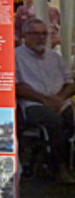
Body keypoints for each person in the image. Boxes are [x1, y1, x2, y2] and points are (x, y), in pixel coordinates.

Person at [15, 17, 75, 183]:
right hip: (32, 104)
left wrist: (59, 98)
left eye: (44, 34)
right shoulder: (16, 57)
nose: (40, 38)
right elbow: (18, 87)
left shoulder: (55, 57)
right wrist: (45, 100)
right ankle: (58, 168)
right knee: (53, 122)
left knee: (70, 119)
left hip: (59, 102)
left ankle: (63, 161)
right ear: (24, 35)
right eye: (35, 34)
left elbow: (70, 83)